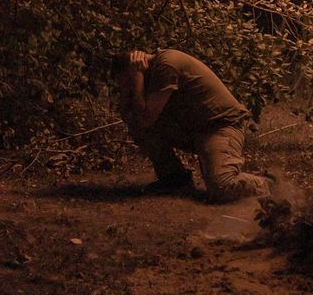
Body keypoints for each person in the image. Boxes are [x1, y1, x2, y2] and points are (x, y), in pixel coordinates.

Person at [111, 48, 274, 203]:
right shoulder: (149, 73)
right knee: (138, 126)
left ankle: (267, 183)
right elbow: (132, 119)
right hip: (194, 129)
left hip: (220, 127)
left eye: (127, 83)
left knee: (222, 187)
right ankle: (175, 180)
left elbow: (146, 118)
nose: (129, 89)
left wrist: (137, 78)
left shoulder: (166, 65)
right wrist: (130, 87)